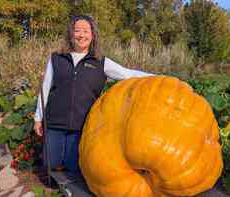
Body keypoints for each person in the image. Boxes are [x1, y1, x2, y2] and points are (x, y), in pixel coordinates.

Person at [34, 15, 153, 172]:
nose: (81, 35)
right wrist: (38, 118)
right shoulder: (56, 59)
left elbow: (127, 74)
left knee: (74, 168)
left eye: (85, 31)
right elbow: (45, 87)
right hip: (55, 122)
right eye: (77, 31)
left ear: (93, 35)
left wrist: (159, 77)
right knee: (51, 163)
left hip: (82, 125)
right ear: (71, 34)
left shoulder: (101, 62)